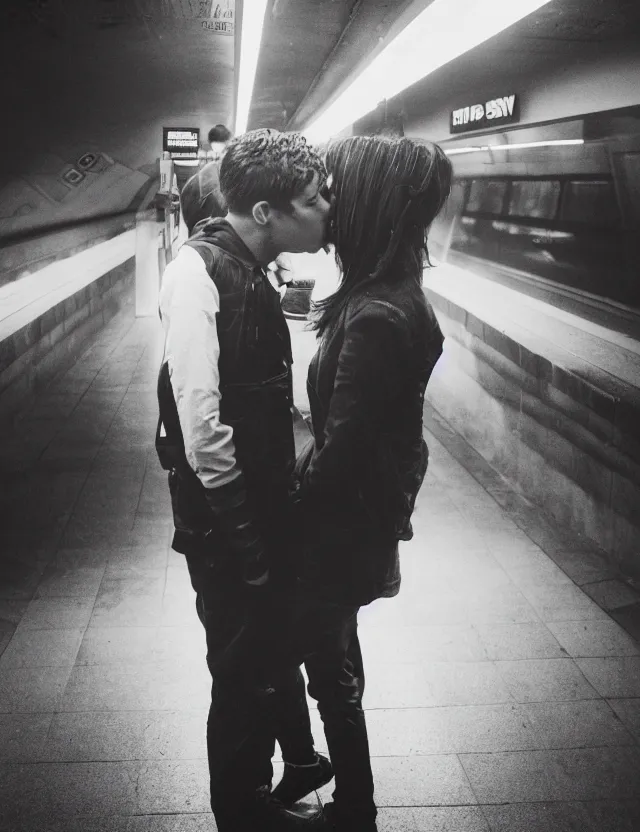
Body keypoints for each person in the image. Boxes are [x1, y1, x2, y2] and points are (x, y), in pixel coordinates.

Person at [156, 128, 334, 832]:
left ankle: (272, 785)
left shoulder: (252, 269)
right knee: (238, 668)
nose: (327, 209)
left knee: (259, 656)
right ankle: (241, 812)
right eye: (314, 199)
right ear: (265, 211)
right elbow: (201, 425)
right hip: (226, 521)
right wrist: (245, 531)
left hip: (258, 510)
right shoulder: (196, 272)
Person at [289, 135, 453, 832]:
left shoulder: (379, 315)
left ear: (369, 207)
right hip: (359, 520)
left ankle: (354, 808)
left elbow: (345, 450)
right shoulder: (387, 296)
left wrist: (286, 506)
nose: (327, 204)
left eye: (335, 192)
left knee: (328, 672)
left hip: (337, 530)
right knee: (337, 659)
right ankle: (350, 796)